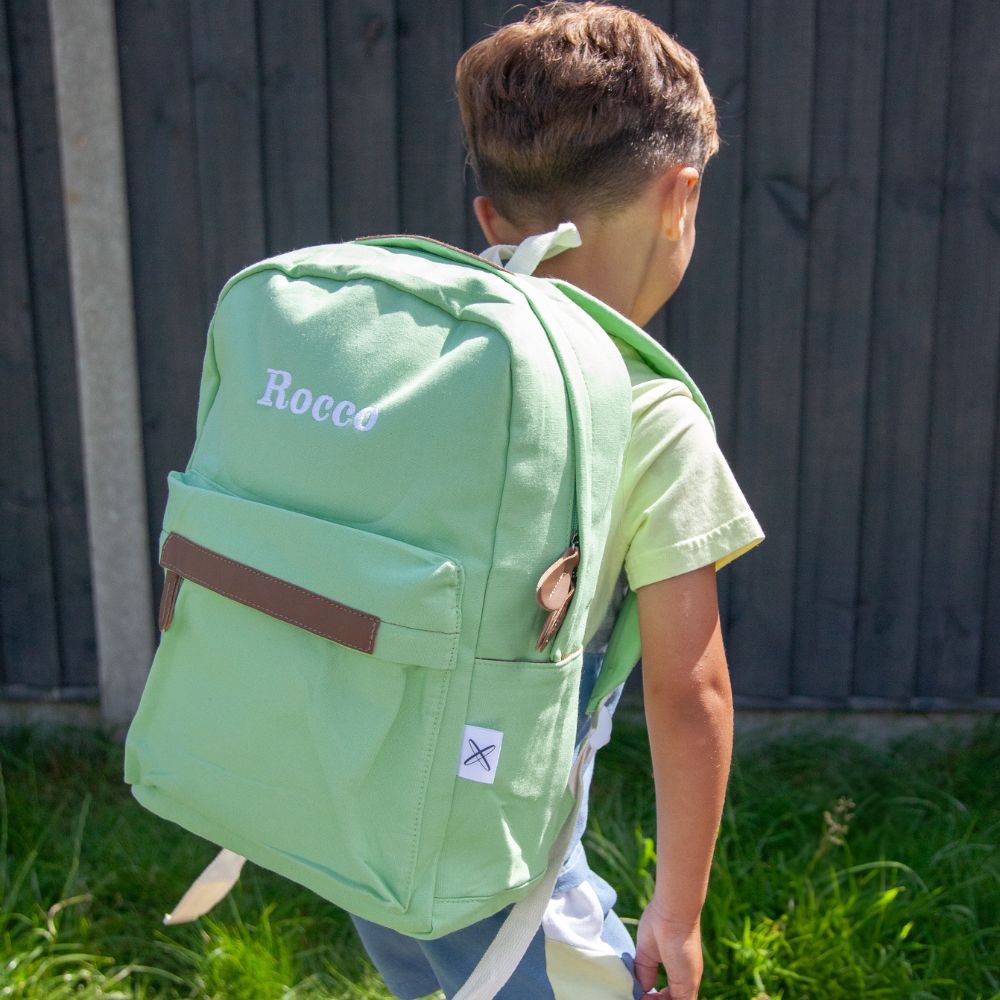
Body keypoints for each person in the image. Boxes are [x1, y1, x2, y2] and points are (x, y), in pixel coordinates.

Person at [351, 3, 764, 997]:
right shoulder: (652, 412)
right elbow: (688, 688)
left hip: (361, 822)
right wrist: (679, 905)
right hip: (509, 878)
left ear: (490, 222)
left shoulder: (410, 360)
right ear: (681, 199)